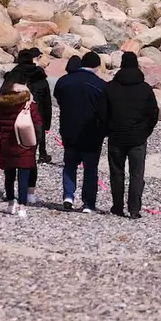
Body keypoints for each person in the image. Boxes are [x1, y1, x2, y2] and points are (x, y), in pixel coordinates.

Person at [103, 52, 160, 219]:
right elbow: (153, 114)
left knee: (117, 173)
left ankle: (118, 206)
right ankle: (134, 209)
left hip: (116, 137)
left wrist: (108, 130)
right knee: (136, 175)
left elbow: (102, 113)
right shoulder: (144, 89)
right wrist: (145, 132)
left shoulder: (111, 87)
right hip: (138, 138)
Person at [53, 53, 109, 211]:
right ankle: (88, 203)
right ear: (97, 67)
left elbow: (59, 99)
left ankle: (68, 196)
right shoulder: (100, 85)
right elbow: (104, 111)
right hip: (92, 132)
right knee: (90, 169)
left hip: (69, 128)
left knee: (69, 165)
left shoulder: (64, 81)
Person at [0, 76, 39, 217]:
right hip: (25, 145)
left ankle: (11, 203)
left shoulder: (1, 106)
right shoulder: (28, 105)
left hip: (6, 145)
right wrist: (36, 142)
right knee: (24, 177)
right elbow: (37, 124)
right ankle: (22, 207)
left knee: (9, 176)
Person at [3, 47, 54, 163]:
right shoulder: (40, 77)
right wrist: (48, 124)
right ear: (38, 57)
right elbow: (47, 104)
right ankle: (40, 153)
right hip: (36, 109)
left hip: (17, 108)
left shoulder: (15, 73)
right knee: (37, 131)